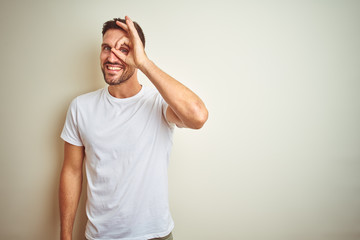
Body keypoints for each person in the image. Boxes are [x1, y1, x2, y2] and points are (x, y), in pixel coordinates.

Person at [59, 16, 208, 240]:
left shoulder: (159, 104)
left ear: (138, 53)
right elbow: (71, 171)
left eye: (124, 49)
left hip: (154, 235)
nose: (112, 57)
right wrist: (65, 235)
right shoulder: (81, 107)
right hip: (100, 236)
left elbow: (198, 116)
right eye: (106, 48)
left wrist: (144, 63)